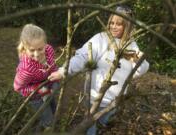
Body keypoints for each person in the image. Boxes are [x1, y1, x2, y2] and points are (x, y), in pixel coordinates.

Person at [48, 5, 149, 135]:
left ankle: (102, 126)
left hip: (114, 100)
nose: (113, 26)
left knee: (104, 121)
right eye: (111, 23)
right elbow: (83, 57)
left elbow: (140, 70)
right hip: (95, 97)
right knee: (90, 126)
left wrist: (137, 59)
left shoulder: (131, 45)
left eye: (119, 24)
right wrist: (63, 71)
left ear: (127, 26)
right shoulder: (101, 39)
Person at [13, 24, 59, 132]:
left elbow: (53, 66)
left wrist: (55, 78)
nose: (37, 54)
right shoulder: (25, 69)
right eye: (32, 50)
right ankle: (48, 127)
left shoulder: (49, 50)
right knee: (47, 117)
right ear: (24, 48)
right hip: (34, 95)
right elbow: (18, 88)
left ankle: (54, 120)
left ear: (45, 44)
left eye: (40, 49)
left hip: (47, 83)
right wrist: (38, 89)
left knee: (53, 105)